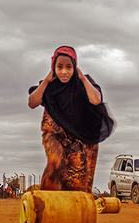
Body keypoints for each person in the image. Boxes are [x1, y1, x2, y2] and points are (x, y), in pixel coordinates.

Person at [27, 45, 115, 192]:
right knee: (56, 161)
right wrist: (47, 80)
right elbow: (32, 102)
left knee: (78, 183)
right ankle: (45, 202)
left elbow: (96, 100)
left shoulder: (83, 83)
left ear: (75, 67)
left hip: (80, 139)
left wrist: (81, 78)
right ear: (53, 67)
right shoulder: (50, 87)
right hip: (55, 135)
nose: (64, 71)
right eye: (59, 67)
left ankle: (74, 209)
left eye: (69, 67)